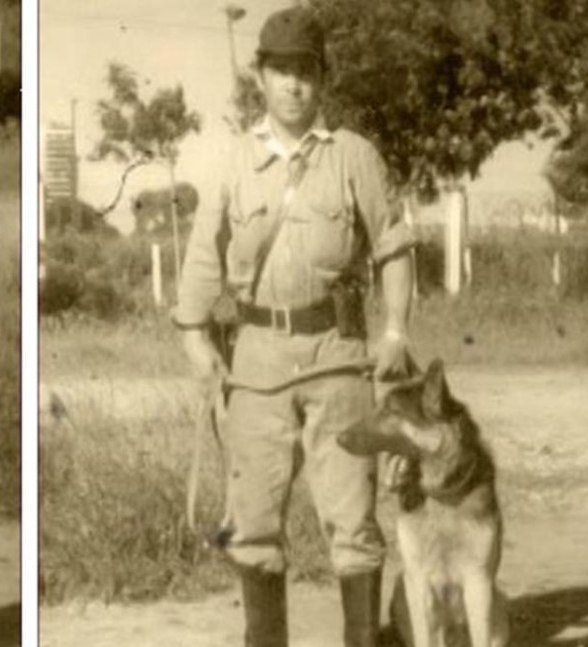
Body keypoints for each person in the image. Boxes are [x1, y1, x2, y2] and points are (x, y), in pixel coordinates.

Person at [174, 7, 416, 647]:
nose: (293, 85)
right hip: (255, 362)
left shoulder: (354, 157)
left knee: (353, 523)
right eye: (280, 70)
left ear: (322, 78)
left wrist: (394, 331)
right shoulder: (229, 160)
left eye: (305, 71)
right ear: (260, 77)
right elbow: (204, 255)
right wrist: (196, 339)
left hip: (338, 358)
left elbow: (393, 248)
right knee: (252, 525)